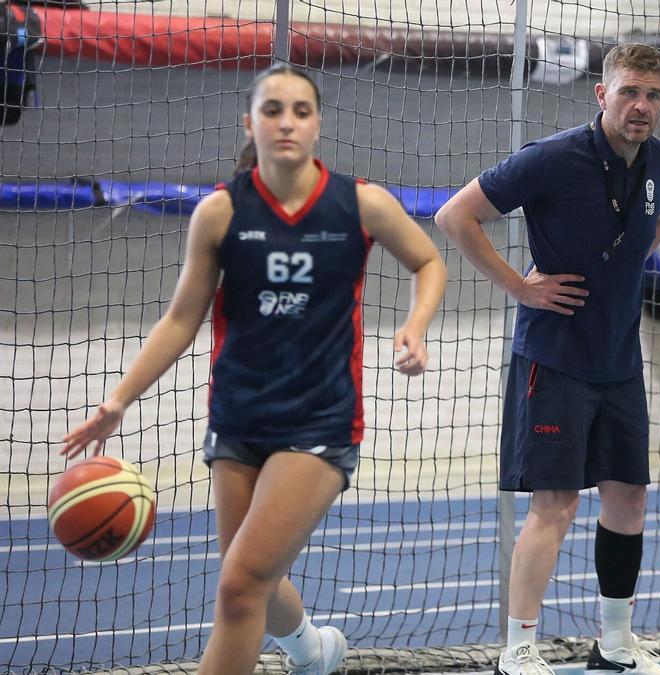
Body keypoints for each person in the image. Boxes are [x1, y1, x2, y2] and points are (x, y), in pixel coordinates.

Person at [60, 63, 447, 675]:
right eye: (272, 110)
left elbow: (429, 261)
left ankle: (310, 651)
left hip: (320, 421)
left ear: (318, 123)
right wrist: (118, 401)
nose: (286, 121)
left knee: (239, 588)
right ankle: (314, 651)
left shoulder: (361, 204)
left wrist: (415, 325)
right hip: (238, 420)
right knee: (249, 576)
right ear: (250, 122)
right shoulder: (219, 214)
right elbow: (181, 319)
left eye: (300, 110)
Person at [435, 43, 660, 675]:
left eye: (654, 95)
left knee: (628, 497)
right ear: (602, 95)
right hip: (555, 358)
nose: (642, 106)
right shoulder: (552, 159)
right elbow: (454, 216)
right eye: (630, 92)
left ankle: (616, 644)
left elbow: (658, 223)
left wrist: (622, 264)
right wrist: (520, 287)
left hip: (620, 359)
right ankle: (518, 650)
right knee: (558, 504)